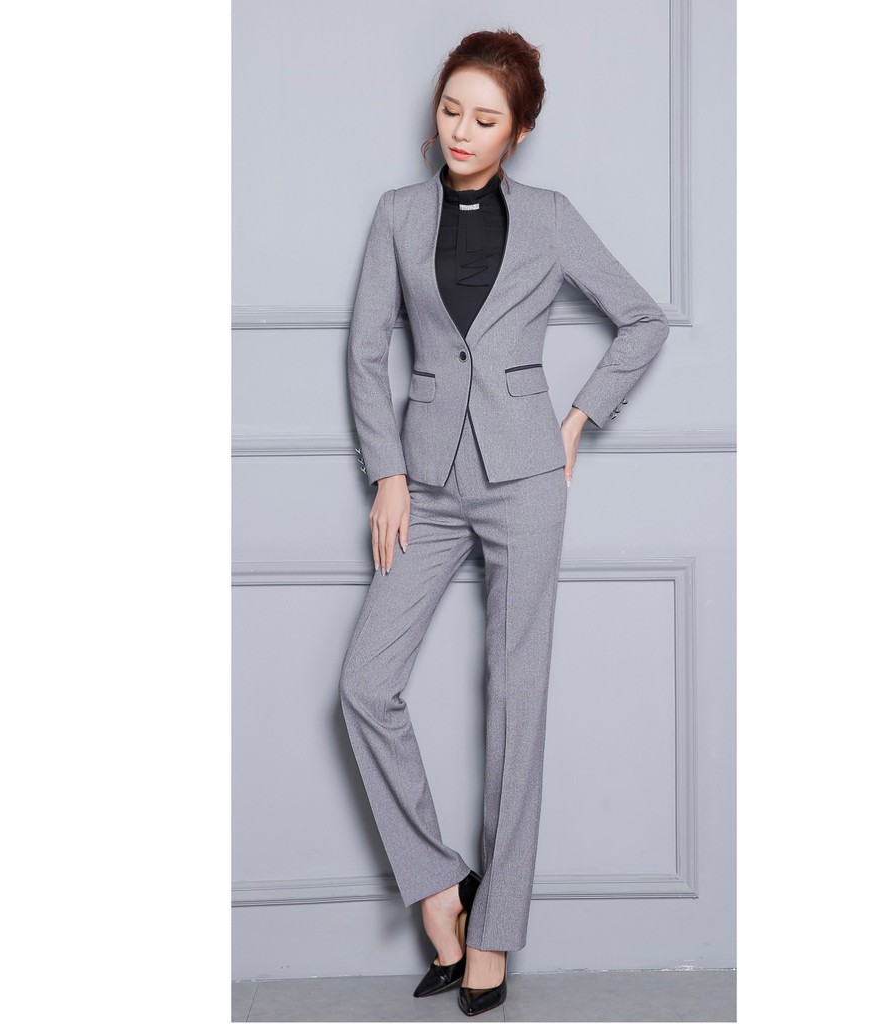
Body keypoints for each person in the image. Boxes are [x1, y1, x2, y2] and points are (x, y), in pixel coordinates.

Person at [338, 28, 669, 1017]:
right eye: (451, 109)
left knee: (517, 705)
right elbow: (366, 354)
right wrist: (388, 475)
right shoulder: (397, 216)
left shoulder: (551, 218)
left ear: (517, 131)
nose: (461, 131)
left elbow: (642, 318)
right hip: (425, 481)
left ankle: (492, 936)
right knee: (364, 685)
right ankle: (439, 885)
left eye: (484, 118)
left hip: (526, 478)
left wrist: (579, 418)